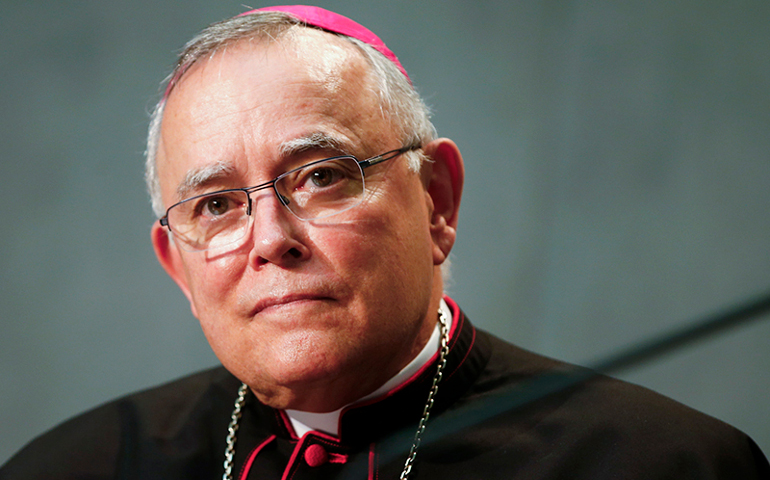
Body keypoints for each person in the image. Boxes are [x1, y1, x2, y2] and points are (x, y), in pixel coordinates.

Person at [2, 6, 768, 480]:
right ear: (179, 267)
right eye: (216, 204)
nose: (271, 239)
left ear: (436, 201)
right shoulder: (71, 468)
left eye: (322, 176)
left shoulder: (666, 464)